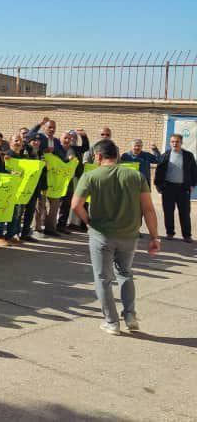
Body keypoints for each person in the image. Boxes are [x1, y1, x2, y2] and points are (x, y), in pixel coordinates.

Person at [71, 139, 161, 335]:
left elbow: (75, 205)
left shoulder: (91, 176)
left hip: (101, 235)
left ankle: (112, 322)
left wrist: (88, 222)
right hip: (129, 235)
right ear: (118, 156)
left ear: (99, 156)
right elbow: (148, 209)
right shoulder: (136, 176)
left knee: (102, 278)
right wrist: (155, 237)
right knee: (125, 273)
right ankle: (129, 315)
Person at [154, 133, 196, 243]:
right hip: (168, 188)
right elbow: (159, 171)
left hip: (183, 188)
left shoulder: (188, 155)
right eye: (172, 141)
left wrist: (192, 185)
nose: (174, 143)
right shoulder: (165, 155)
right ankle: (170, 233)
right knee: (168, 211)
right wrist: (159, 186)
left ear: (181, 143)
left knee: (185, 212)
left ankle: (187, 235)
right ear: (170, 143)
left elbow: (194, 171)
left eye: (177, 141)